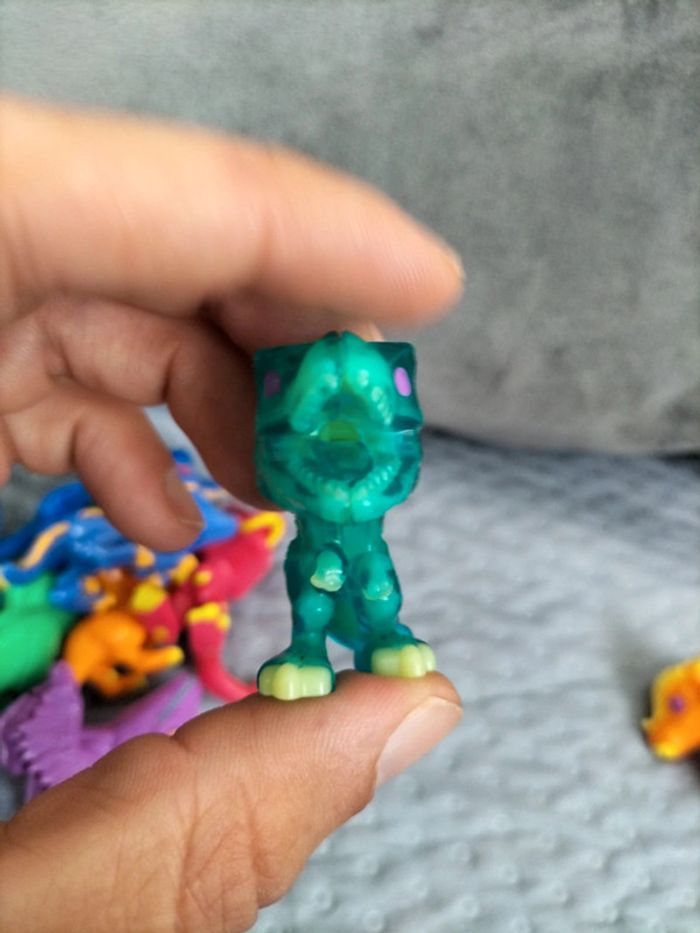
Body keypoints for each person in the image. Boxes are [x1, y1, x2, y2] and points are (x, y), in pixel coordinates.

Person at [0, 96, 463, 933]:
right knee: (314, 597)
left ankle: (380, 636)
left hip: (355, 544)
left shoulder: (378, 445)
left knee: (376, 593)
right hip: (307, 547)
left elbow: (393, 463)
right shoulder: (289, 445)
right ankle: (311, 647)